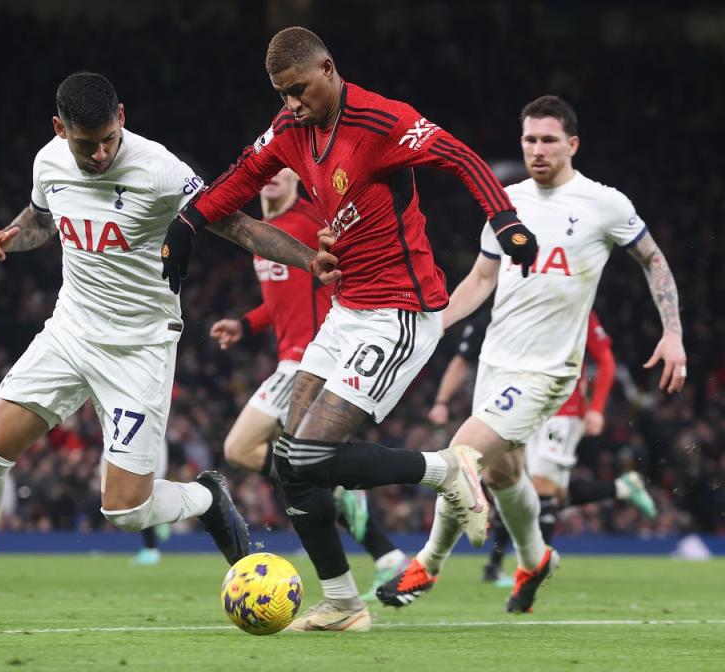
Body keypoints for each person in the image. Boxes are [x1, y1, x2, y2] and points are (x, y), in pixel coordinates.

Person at [0, 72, 340, 626]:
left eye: (108, 139)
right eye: (85, 144)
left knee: (125, 511)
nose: (99, 154)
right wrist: (4, 237)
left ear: (121, 117)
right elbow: (41, 220)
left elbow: (238, 226)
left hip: (139, 349)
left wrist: (306, 258)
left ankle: (205, 498)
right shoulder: (48, 161)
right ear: (60, 129)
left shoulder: (159, 169)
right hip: (70, 332)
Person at [160, 27, 538, 631]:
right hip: (345, 311)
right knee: (289, 461)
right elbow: (239, 177)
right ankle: (343, 603)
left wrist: (507, 221)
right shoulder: (291, 131)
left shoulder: (382, 123)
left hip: (400, 314)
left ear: (329, 69)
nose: (291, 104)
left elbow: (461, 157)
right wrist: (187, 223)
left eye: (299, 89)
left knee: (310, 453)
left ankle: (446, 469)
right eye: (282, 94)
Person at [377, 95, 686, 613]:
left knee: (461, 454)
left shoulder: (604, 204)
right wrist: (435, 323)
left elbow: (652, 260)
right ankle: (536, 558)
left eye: (547, 140)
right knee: (501, 474)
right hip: (496, 362)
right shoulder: (505, 199)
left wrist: (672, 332)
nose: (537, 150)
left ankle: (427, 565)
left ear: (572, 144)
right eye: (529, 140)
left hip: (548, 370)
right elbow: (481, 279)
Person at [209, 167, 408, 598]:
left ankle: (338, 501)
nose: (273, 179)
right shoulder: (265, 233)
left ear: (299, 181)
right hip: (293, 360)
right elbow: (278, 303)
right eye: (268, 173)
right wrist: (245, 323)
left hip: (308, 362)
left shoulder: (305, 225)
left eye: (284, 173)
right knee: (295, 464)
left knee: (239, 448)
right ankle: (383, 551)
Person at [427, 309, 657, 584]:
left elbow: (606, 360)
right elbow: (465, 358)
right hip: (522, 404)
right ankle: (622, 488)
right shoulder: (511, 307)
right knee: (525, 487)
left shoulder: (576, 304)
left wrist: (596, 408)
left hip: (563, 411)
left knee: (538, 489)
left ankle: (522, 571)